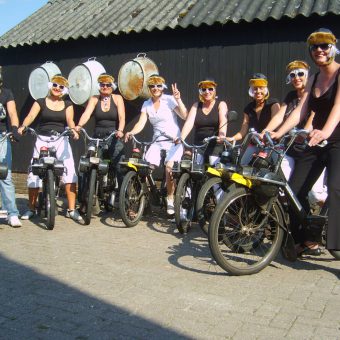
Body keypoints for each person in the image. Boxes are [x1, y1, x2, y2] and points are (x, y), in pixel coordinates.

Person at [272, 28, 340, 255]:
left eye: (324, 46)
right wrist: (278, 132)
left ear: (333, 48)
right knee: (294, 191)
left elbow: (339, 108)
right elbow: (300, 111)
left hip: (336, 140)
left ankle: (335, 245)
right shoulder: (314, 79)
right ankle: (305, 241)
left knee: (335, 189)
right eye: (314, 47)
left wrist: (326, 131)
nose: (319, 50)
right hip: (316, 141)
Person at [18, 75, 82, 222]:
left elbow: (70, 121)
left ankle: (72, 209)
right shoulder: (40, 101)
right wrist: (24, 126)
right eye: (55, 85)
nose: (57, 88)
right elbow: (31, 115)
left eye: (61, 87)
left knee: (69, 170)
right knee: (34, 171)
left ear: (64, 90)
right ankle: (31, 208)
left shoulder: (67, 104)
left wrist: (73, 131)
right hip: (42, 139)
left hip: (61, 139)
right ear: (50, 85)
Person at [124, 75, 188, 215]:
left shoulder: (169, 100)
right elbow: (141, 122)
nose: (155, 88)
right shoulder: (146, 104)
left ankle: (170, 198)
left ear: (163, 87)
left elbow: (184, 116)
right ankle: (144, 200)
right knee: (144, 168)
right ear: (149, 88)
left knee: (169, 169)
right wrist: (131, 132)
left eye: (159, 86)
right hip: (157, 142)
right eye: (152, 86)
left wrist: (178, 99)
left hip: (174, 141)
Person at [75, 73, 125, 196]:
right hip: (97, 136)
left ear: (112, 86)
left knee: (120, 165)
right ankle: (84, 199)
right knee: (86, 164)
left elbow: (122, 116)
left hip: (113, 136)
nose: (105, 87)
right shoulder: (94, 99)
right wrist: (79, 126)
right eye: (102, 84)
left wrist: (120, 130)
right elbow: (86, 114)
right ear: (99, 86)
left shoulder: (117, 98)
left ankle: (125, 199)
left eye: (108, 85)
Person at [227, 73, 280, 164]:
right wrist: (232, 138)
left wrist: (264, 133)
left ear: (266, 89)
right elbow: (243, 130)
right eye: (255, 88)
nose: (258, 91)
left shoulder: (273, 103)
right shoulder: (248, 108)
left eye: (261, 88)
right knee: (242, 164)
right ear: (251, 91)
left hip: (272, 144)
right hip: (255, 143)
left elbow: (277, 119)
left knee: (277, 166)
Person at [180, 78, 228, 165]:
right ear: (200, 91)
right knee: (194, 170)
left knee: (213, 170)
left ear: (214, 90)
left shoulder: (221, 104)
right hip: (199, 144)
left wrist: (222, 135)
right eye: (204, 89)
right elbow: (189, 122)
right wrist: (181, 138)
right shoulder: (196, 105)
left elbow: (223, 121)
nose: (207, 91)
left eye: (210, 89)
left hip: (215, 144)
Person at [0, 68, 22, 227]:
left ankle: (12, 213)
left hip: (2, 137)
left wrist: (14, 129)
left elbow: (12, 113)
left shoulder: (6, 93)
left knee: (4, 174)